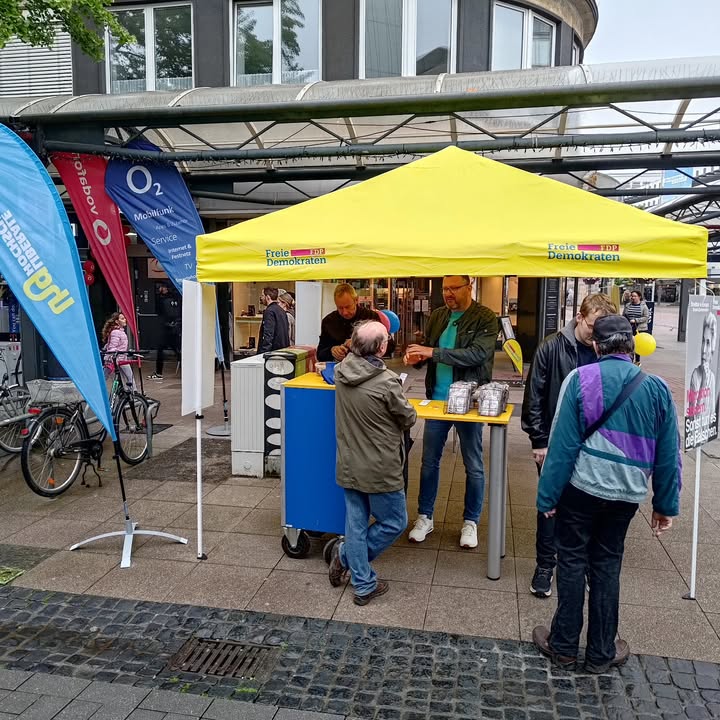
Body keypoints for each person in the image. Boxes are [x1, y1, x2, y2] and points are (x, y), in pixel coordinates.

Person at [532, 315, 680, 674]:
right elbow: (668, 454)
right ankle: (601, 652)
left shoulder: (579, 379)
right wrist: (665, 505)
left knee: (571, 561)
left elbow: (562, 445)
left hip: (581, 489)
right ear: (631, 346)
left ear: (596, 345)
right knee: (608, 564)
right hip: (626, 495)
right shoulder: (657, 388)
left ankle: (564, 646)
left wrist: (547, 497)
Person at [521, 293, 618, 598]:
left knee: (588, 505)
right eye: (592, 327)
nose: (596, 335)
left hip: (595, 443)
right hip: (556, 441)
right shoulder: (551, 346)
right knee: (550, 504)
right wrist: (538, 440)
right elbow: (534, 395)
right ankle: (545, 565)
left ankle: (582, 564)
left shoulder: (605, 347)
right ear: (579, 317)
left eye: (601, 329)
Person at [404, 275, 498, 549]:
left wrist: (431, 352)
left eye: (454, 288)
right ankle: (425, 516)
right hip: (437, 400)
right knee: (429, 461)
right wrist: (417, 358)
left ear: (469, 287)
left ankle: (470, 522)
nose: (448, 293)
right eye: (445, 288)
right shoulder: (438, 315)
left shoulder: (485, 317)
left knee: (474, 464)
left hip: (469, 401)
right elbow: (430, 353)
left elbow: (477, 354)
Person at [328, 320, 417, 605]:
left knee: (355, 524)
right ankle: (345, 557)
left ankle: (363, 582)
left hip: (349, 461)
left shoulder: (341, 371)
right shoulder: (386, 381)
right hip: (380, 466)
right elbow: (408, 418)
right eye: (386, 339)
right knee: (395, 522)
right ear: (380, 348)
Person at [317, 284, 380, 362]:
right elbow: (320, 354)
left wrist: (360, 344)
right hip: (338, 367)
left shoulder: (371, 317)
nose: (345, 312)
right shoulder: (328, 321)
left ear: (356, 300)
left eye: (348, 307)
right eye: (340, 308)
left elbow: (389, 346)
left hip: (367, 366)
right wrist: (331, 351)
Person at [688, 310, 718, 428]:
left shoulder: (712, 377)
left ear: (713, 347)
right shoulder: (696, 374)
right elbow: (693, 417)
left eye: (708, 343)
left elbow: (712, 417)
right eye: (703, 341)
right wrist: (704, 382)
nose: (704, 350)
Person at [148, 284, 181, 381]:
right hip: (175, 327)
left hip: (167, 328)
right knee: (177, 350)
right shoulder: (176, 298)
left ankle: (159, 373)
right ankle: (188, 370)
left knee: (161, 350)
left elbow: (159, 311)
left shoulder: (163, 300)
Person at [101, 311, 134, 389]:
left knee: (126, 378)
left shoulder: (120, 332)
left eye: (124, 318)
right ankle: (133, 392)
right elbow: (112, 347)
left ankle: (130, 392)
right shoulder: (116, 332)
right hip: (118, 359)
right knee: (129, 378)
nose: (125, 320)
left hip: (120, 358)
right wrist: (115, 355)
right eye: (122, 318)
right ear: (117, 321)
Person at [257, 287, 290, 353]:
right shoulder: (282, 311)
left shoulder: (269, 311)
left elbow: (268, 334)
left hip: (273, 352)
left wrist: (264, 352)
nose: (261, 298)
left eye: (263, 295)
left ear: (268, 297)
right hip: (283, 350)